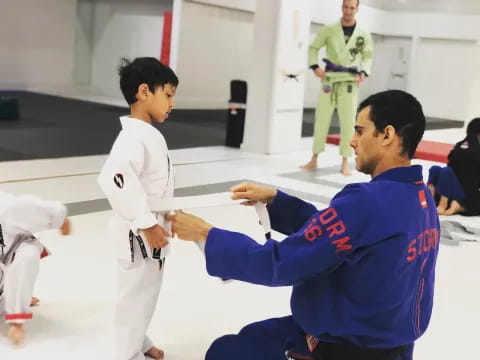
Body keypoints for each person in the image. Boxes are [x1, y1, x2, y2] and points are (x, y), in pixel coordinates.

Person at [168, 90, 439, 360]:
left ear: (387, 135)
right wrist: (277, 201)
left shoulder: (367, 202)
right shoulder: (420, 197)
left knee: (224, 353)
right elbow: (337, 235)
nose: (352, 142)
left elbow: (282, 262)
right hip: (391, 344)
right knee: (253, 336)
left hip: (343, 348)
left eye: (359, 131)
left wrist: (206, 234)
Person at [97, 57, 178, 360]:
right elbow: (113, 179)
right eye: (168, 95)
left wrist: (168, 215)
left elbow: (153, 184)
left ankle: (139, 342)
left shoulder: (146, 134)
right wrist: (146, 222)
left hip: (150, 231)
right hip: (137, 234)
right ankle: (126, 354)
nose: (172, 103)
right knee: (133, 297)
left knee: (146, 294)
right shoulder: (132, 136)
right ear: (145, 92)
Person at [301, 0, 373, 175]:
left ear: (357, 9)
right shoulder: (329, 29)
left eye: (351, 8)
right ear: (342, 8)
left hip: (349, 80)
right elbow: (313, 48)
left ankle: (345, 162)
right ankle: (314, 157)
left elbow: (368, 56)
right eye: (345, 7)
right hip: (330, 80)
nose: (348, 11)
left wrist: (363, 71)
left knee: (349, 122)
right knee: (321, 119)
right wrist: (315, 67)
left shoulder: (363, 34)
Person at [0, 192, 71, 346]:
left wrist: (61, 220)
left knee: (28, 254)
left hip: (13, 255)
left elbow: (34, 209)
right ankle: (9, 297)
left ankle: (16, 311)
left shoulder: (7, 209)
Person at [428, 118, 480, 216]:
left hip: (442, 191)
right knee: (447, 173)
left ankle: (430, 199)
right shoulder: (477, 150)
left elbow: (450, 163)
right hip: (462, 195)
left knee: (436, 169)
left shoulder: (458, 146)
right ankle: (457, 207)